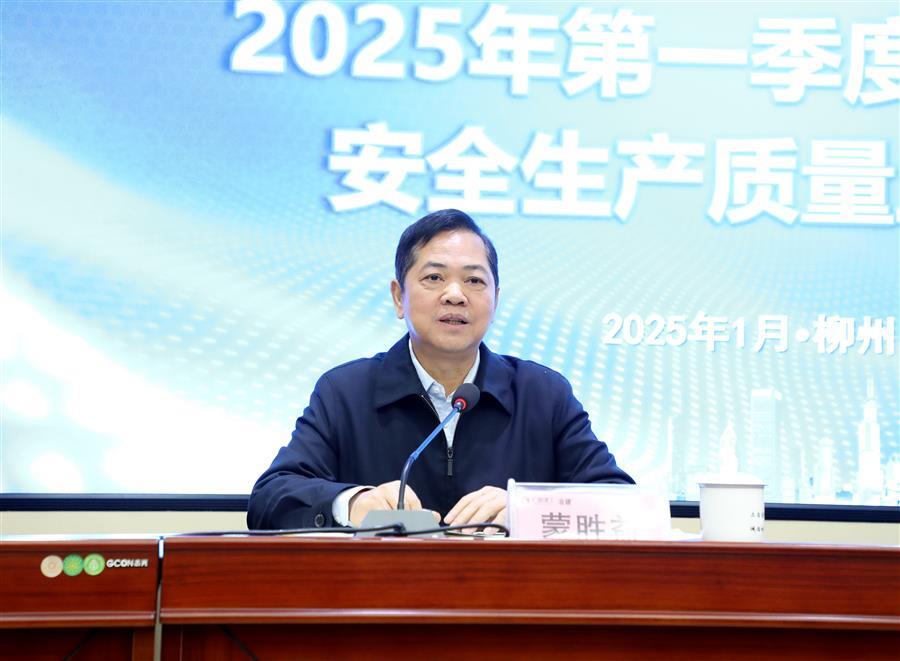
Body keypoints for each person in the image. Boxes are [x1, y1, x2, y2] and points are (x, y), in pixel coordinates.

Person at [247, 209, 633, 530]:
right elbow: (270, 499)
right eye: (434, 277)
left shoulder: (542, 393)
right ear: (399, 297)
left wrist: (525, 509)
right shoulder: (346, 391)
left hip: (509, 595)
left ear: (496, 299)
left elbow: (623, 504)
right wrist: (351, 503)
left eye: (474, 280)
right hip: (384, 595)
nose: (455, 294)